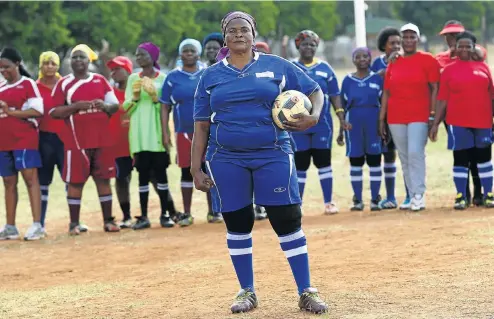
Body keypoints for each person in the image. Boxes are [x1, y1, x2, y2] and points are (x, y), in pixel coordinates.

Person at [192, 11, 328, 314]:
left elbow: (315, 91)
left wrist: (314, 116)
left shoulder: (276, 66)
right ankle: (246, 291)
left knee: (287, 220)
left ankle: (306, 290)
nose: (239, 35)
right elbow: (201, 124)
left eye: (245, 30)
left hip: (273, 153)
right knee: (238, 223)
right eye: (232, 31)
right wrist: (195, 167)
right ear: (224, 37)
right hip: (225, 157)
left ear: (254, 34)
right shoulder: (210, 76)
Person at [50, 44, 121, 235]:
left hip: (101, 140)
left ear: (89, 61)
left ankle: (108, 221)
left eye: (82, 57)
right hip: (76, 142)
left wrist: (105, 106)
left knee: (104, 180)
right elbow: (54, 112)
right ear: (70, 62)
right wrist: (75, 106)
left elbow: (115, 105)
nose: (78, 60)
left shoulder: (100, 80)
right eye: (74, 57)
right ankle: (74, 224)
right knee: (75, 183)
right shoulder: (64, 84)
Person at [379, 23, 440, 212]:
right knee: (404, 157)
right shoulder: (394, 62)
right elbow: (387, 93)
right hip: (396, 116)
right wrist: (381, 119)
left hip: (419, 115)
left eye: (412, 36)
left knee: (415, 153)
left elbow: (435, 88)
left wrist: (433, 116)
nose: (408, 40)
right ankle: (412, 195)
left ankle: (419, 194)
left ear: (418, 39)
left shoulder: (428, 60)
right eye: (405, 37)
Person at [161, 39, 223, 226]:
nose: (188, 54)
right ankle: (187, 213)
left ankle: (214, 211)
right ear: (180, 55)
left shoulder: (207, 73)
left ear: (198, 54)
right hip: (183, 132)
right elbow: (165, 107)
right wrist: (165, 133)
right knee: (186, 171)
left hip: (208, 131)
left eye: (192, 51)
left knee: (208, 169)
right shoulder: (172, 77)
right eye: (185, 51)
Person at [430, 31, 494, 209]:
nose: (464, 49)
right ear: (455, 48)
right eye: (461, 46)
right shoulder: (448, 70)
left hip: (483, 121)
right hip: (457, 121)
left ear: (474, 48)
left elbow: (492, 95)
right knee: (461, 159)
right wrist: (435, 123)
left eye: (468, 46)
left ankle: (488, 194)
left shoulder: (483, 67)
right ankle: (461, 196)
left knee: (484, 159)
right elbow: (442, 99)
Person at [291, 30, 350, 215]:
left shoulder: (325, 68)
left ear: (317, 47)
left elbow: (335, 96)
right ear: (297, 46)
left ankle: (329, 202)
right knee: (300, 165)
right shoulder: (290, 67)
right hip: (297, 126)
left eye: (312, 45)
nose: (308, 47)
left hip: (322, 125)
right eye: (304, 44)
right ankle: (297, 205)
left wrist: (341, 119)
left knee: (324, 163)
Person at [123, 42, 175, 230]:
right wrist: (135, 97)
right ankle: (144, 216)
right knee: (142, 176)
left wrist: (155, 98)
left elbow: (166, 106)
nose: (139, 58)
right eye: (137, 55)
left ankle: (165, 214)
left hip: (157, 134)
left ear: (153, 57)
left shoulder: (163, 78)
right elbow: (125, 109)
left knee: (161, 175)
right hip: (138, 135)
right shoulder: (132, 79)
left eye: (143, 54)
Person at [0, 47, 45, 240]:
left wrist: (11, 112)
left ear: (17, 64)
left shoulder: (28, 84)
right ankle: (10, 226)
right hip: (3, 141)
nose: (3, 71)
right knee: (8, 182)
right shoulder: (1, 88)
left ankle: (37, 225)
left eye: (7, 67)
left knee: (30, 179)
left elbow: (37, 111)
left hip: (24, 139)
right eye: (0, 68)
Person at [436, 20, 483, 206]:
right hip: (453, 115)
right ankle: (463, 193)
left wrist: (466, 49)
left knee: (477, 155)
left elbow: (479, 54)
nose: (453, 38)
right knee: (461, 154)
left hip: (476, 113)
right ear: (445, 38)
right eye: (450, 35)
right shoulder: (440, 58)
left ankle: (480, 192)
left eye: (457, 35)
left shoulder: (474, 53)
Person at [369, 27, 411, 210]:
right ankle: (391, 196)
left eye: (398, 43)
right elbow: (370, 85)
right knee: (388, 155)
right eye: (392, 43)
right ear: (383, 46)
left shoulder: (406, 61)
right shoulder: (376, 64)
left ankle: (411, 195)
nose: (396, 46)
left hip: (403, 114)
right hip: (384, 116)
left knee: (407, 156)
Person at [340, 47, 383, 211]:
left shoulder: (377, 79)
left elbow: (383, 102)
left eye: (365, 56)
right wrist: (341, 128)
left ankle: (375, 198)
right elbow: (342, 106)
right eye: (358, 57)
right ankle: (357, 199)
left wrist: (382, 124)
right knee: (356, 161)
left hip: (373, 121)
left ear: (370, 58)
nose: (362, 59)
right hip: (353, 123)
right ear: (353, 60)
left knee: (374, 160)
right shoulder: (347, 80)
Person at [106, 56, 134, 228]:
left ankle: (168, 211)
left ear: (128, 71)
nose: (114, 72)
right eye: (112, 70)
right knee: (122, 179)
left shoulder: (137, 90)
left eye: (118, 69)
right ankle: (126, 216)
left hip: (139, 143)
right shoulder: (109, 93)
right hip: (118, 144)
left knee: (153, 176)